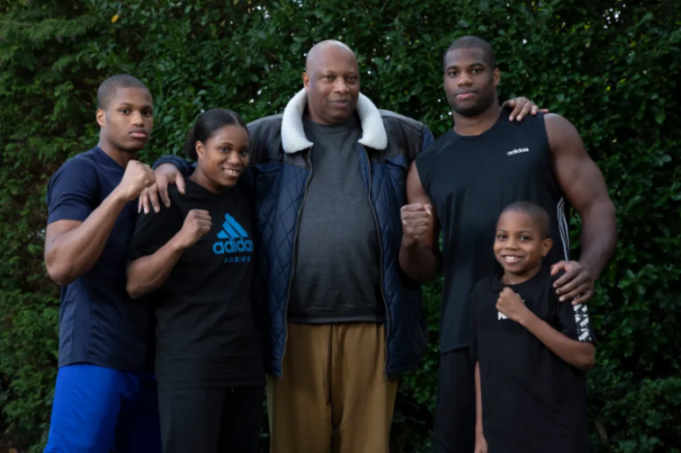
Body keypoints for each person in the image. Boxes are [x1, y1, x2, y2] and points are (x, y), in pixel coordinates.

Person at [140, 40, 540, 453]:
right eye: (329, 77)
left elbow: (467, 148)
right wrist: (167, 163)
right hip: (290, 330)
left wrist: (512, 115)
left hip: (374, 327)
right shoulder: (264, 137)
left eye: (351, 78)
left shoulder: (403, 135)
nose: (341, 88)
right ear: (306, 80)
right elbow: (207, 163)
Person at [399, 35, 616, 452]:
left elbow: (598, 207)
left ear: (495, 76)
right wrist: (410, 242)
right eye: (453, 73)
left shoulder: (544, 130)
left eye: (476, 70)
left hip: (542, 322)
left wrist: (589, 266)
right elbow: (421, 271)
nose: (464, 80)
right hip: (464, 329)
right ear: (443, 83)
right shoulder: (427, 164)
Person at [126, 109, 264, 453]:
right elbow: (135, 283)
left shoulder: (243, 193)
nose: (236, 160)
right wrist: (179, 242)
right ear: (200, 149)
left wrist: (166, 161)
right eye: (225, 149)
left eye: (243, 151)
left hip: (244, 365)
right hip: (191, 364)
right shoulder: (170, 196)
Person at [43, 75, 161, 453]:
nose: (137, 120)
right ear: (101, 117)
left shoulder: (149, 179)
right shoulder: (82, 171)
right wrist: (119, 195)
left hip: (148, 360)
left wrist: (168, 167)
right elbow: (59, 265)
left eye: (145, 112)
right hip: (94, 355)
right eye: (124, 111)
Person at [471, 201, 596, 453]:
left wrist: (523, 315)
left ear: (545, 246)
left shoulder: (563, 285)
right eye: (502, 236)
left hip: (556, 433)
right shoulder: (482, 292)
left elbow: (585, 356)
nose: (511, 245)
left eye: (524, 237)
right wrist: (480, 432)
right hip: (501, 434)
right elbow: (481, 363)